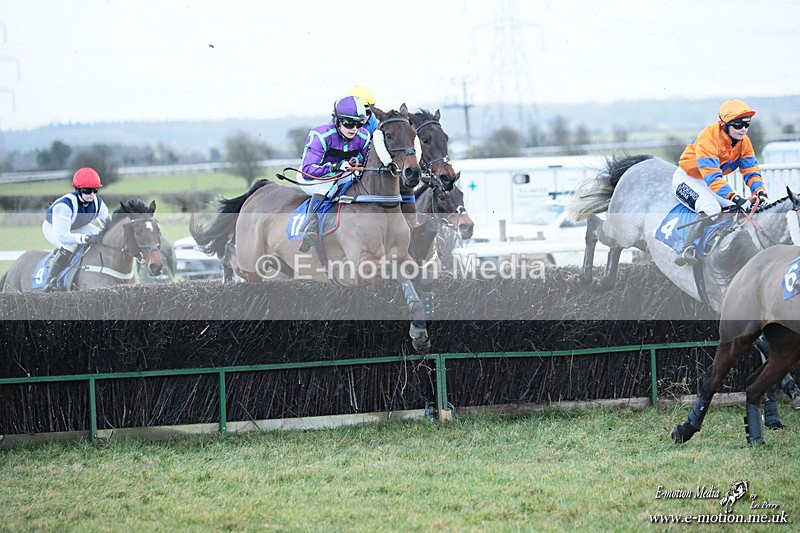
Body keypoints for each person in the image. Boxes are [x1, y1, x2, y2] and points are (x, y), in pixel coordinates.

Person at [673, 99, 767, 266]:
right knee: (712, 208)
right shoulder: (708, 139)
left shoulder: (744, 142)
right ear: (724, 124)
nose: (743, 129)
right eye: (738, 124)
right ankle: (687, 248)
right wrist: (737, 197)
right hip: (688, 178)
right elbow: (713, 178)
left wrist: (760, 191)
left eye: (747, 124)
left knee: (734, 209)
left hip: (709, 180)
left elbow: (750, 170)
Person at [296, 95, 371, 252]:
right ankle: (310, 228)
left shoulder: (363, 136)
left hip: (343, 173)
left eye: (359, 123)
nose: (354, 129)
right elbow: (307, 170)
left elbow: (366, 163)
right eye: (349, 123)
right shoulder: (320, 135)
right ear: (336, 120)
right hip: (313, 177)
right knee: (327, 184)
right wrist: (334, 168)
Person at [41, 167, 110, 290]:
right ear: (77, 189)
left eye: (95, 190)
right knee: (70, 245)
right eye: (87, 191)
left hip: (78, 226)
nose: (92, 194)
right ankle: (51, 281)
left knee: (102, 237)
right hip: (54, 228)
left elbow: (108, 225)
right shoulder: (64, 206)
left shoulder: (98, 203)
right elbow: (62, 236)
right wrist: (86, 238)